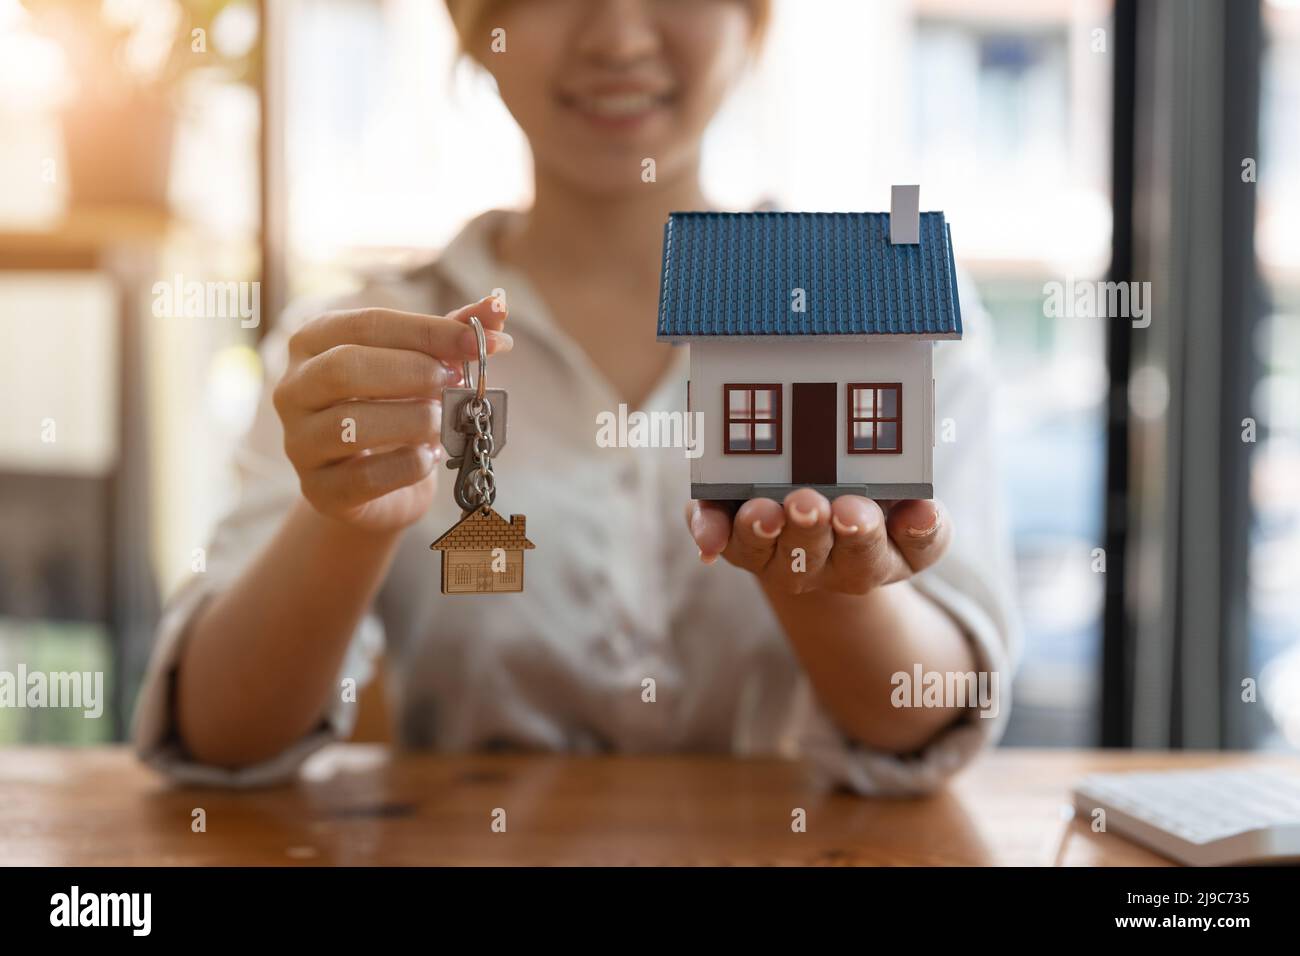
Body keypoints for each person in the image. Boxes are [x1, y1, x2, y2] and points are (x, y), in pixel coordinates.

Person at [134, 0, 1019, 794]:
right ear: (470, 25)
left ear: (754, 18)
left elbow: (931, 717)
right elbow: (221, 738)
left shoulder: (889, 314)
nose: (619, 37)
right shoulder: (358, 348)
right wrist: (341, 515)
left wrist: (817, 572)